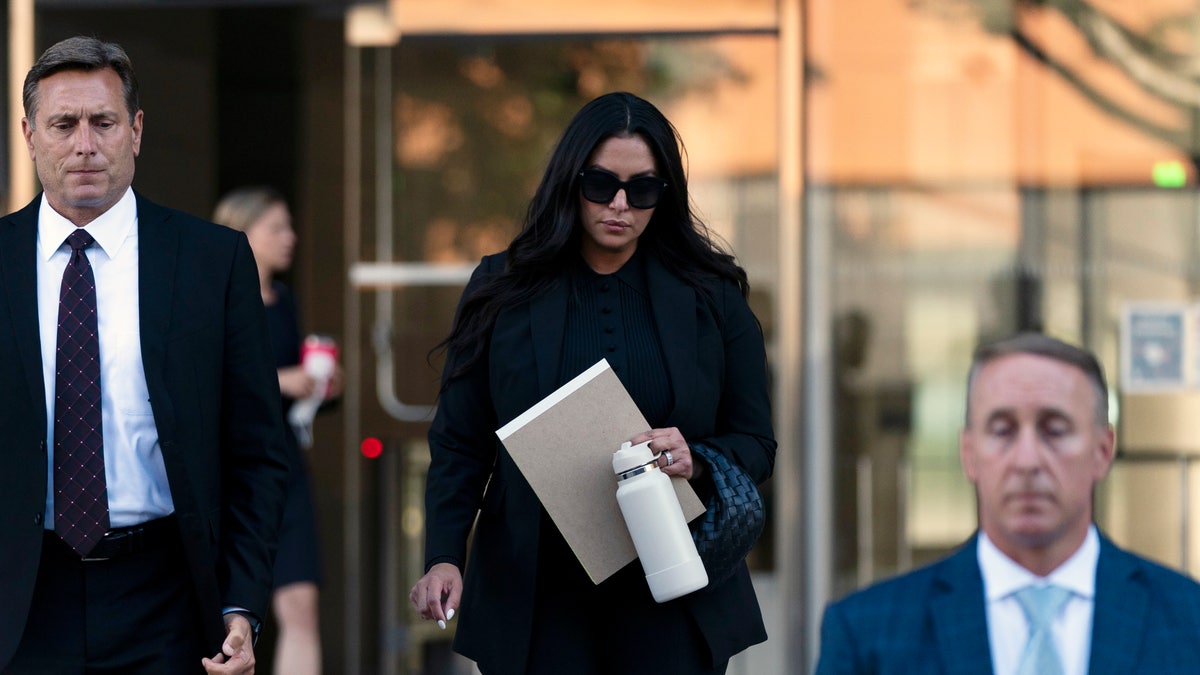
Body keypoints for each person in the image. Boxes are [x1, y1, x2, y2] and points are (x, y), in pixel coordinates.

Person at [408, 91, 776, 674]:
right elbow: (459, 441)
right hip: (537, 593)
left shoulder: (712, 297)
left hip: (671, 587)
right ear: (570, 181)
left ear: (667, 194)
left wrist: (697, 458)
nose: (620, 205)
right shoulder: (502, 287)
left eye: (643, 189)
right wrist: (444, 556)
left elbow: (757, 443)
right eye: (601, 184)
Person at [0, 36, 290, 674]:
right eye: (63, 124)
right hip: (19, 602)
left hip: (168, 599)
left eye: (103, 122)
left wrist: (241, 602)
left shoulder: (213, 261)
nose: (84, 144)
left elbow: (258, 451)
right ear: (28, 133)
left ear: (135, 130)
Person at [815, 332, 1200, 674]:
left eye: (1055, 429)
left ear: (1103, 451)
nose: (1027, 460)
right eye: (1002, 430)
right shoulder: (867, 634)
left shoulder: (1188, 619)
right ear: (968, 453)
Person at [213, 186, 342, 675]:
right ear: (241, 232)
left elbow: (289, 392)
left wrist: (324, 388)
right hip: (227, 472)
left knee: (301, 606)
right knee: (226, 617)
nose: (290, 238)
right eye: (277, 228)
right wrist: (282, 380)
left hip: (284, 468)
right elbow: (205, 385)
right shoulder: (214, 298)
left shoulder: (283, 299)